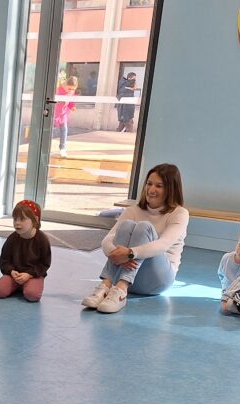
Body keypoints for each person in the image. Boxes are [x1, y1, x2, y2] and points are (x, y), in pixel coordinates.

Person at [81, 164, 189, 312]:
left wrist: (130, 253)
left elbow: (163, 244)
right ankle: (106, 285)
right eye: (149, 184)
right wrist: (116, 254)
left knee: (144, 227)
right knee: (126, 225)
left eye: (159, 186)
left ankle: (121, 291)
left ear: (171, 189)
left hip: (158, 280)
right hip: (129, 277)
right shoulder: (133, 210)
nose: (151, 190)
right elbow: (107, 240)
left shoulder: (179, 213)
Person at [0, 200, 51, 303]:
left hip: (33, 275)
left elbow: (44, 264)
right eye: (15, 219)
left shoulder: (42, 240)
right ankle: (19, 286)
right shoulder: (12, 239)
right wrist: (11, 271)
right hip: (14, 276)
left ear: (35, 220)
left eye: (22, 219)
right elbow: (5, 260)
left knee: (32, 295)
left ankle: (26, 286)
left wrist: (29, 274)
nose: (17, 223)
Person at [53, 76, 78, 158]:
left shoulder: (72, 92)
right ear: (65, 85)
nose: (70, 90)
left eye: (73, 89)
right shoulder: (59, 90)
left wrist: (72, 106)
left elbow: (71, 101)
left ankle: (62, 148)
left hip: (63, 114)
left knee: (64, 130)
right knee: (50, 130)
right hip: (54, 113)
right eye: (69, 88)